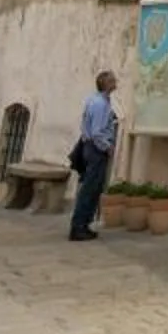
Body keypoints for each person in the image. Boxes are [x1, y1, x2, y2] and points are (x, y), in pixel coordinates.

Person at [69, 71, 119, 242]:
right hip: (96, 149)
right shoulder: (100, 104)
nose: (115, 82)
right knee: (90, 188)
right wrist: (107, 147)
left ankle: (83, 225)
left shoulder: (96, 100)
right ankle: (79, 225)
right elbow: (97, 132)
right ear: (105, 84)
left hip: (90, 147)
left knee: (93, 187)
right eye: (112, 80)